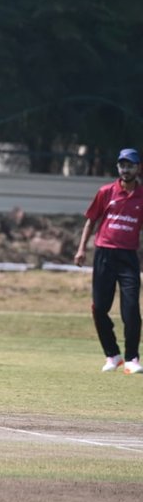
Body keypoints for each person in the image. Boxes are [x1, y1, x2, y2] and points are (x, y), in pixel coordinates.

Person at [74, 148, 143, 374]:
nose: (126, 169)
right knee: (99, 308)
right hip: (104, 253)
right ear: (118, 167)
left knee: (131, 309)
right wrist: (82, 248)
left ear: (138, 168)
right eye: (122, 165)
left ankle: (132, 358)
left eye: (130, 165)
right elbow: (91, 221)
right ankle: (113, 355)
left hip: (128, 257)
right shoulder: (106, 192)